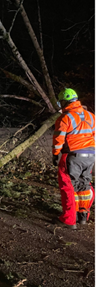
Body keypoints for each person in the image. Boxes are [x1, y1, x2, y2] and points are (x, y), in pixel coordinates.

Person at [52, 88, 95, 229]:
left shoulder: (65, 118)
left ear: (64, 102)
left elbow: (59, 139)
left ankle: (69, 220)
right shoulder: (91, 116)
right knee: (84, 185)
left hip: (72, 155)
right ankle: (82, 216)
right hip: (91, 155)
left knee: (68, 185)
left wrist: (55, 153)